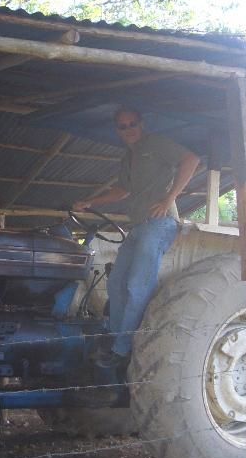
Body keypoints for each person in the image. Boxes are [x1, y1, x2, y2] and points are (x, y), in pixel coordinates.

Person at [72, 107, 200, 368]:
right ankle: (114, 340)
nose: (128, 129)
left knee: (136, 286)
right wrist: (90, 202)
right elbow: (122, 190)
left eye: (132, 124)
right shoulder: (129, 157)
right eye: (123, 126)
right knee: (116, 283)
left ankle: (122, 351)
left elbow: (191, 159)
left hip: (159, 224)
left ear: (142, 123)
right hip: (139, 227)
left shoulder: (156, 143)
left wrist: (169, 199)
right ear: (117, 130)